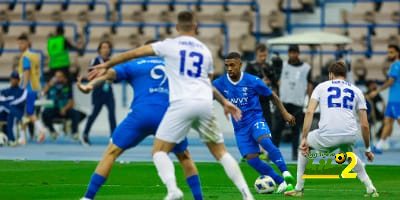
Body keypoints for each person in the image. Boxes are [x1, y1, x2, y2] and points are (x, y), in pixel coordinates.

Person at [88, 11, 254, 200]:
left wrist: (106, 64)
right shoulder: (205, 51)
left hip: (181, 104)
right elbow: (206, 84)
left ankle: (173, 189)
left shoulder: (169, 46)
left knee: (159, 151)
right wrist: (224, 102)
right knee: (221, 152)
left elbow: (134, 53)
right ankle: (247, 195)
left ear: (176, 27)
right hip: (204, 104)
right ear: (196, 26)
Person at [77, 44, 204, 200]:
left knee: (111, 153)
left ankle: (88, 197)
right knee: (184, 157)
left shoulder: (134, 64)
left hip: (141, 114)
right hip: (168, 116)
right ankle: (197, 198)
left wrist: (89, 85)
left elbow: (107, 75)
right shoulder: (175, 67)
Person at [284, 61, 378, 197]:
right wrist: (368, 149)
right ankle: (370, 188)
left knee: (303, 148)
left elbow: (309, 112)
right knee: (349, 156)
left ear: (330, 75)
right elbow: (364, 124)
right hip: (349, 134)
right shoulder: (357, 91)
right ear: (345, 75)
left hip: (328, 135)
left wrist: (304, 138)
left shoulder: (321, 87)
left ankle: (298, 189)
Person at [213, 52, 296, 193]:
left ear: (240, 64)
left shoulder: (253, 80)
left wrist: (285, 113)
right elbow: (207, 95)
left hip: (255, 120)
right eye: (227, 65)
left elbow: (272, 96)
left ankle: (286, 173)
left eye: (232, 65)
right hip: (240, 129)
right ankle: (281, 182)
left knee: (265, 141)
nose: (229, 68)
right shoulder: (220, 83)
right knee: (252, 159)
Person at [275, 44, 313, 160]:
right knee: (277, 129)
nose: (292, 54)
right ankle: (273, 153)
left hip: (297, 103)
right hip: (283, 103)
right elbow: (277, 81)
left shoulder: (306, 68)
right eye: (290, 52)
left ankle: (295, 155)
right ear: (288, 53)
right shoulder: (283, 66)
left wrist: (310, 100)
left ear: (298, 53)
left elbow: (310, 84)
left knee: (296, 131)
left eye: (294, 52)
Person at [82, 41, 116, 146]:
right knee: (94, 114)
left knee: (111, 114)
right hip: (98, 90)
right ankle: (85, 134)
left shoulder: (112, 61)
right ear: (99, 50)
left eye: (107, 47)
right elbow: (90, 75)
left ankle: (113, 138)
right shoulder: (95, 61)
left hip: (108, 91)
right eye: (103, 47)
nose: (106, 49)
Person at [17, 33, 46, 144]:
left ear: (27, 43)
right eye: (19, 43)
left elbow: (27, 71)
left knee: (28, 113)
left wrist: (23, 88)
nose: (20, 45)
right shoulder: (34, 55)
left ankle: (41, 129)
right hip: (34, 87)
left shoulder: (26, 56)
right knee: (24, 113)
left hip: (27, 88)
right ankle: (23, 138)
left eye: (22, 43)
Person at [370, 44, 400, 151]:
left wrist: (377, 91)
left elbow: (391, 81)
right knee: (388, 122)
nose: (389, 54)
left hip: (397, 100)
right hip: (393, 100)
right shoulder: (395, 65)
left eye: (391, 52)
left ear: (397, 53)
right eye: (388, 52)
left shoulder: (396, 65)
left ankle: (380, 145)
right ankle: (379, 146)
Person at [245, 44, 279, 127]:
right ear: (256, 55)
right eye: (261, 56)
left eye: (265, 56)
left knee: (268, 125)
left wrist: (274, 94)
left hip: (266, 101)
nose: (263, 58)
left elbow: (275, 83)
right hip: (253, 101)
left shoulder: (269, 67)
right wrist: (260, 83)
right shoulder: (250, 67)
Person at [41, 70, 81, 141]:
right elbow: (42, 93)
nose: (58, 78)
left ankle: (74, 133)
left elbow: (71, 101)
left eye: (60, 77)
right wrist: (49, 85)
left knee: (76, 114)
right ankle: (52, 131)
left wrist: (65, 109)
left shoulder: (67, 87)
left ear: (63, 77)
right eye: (56, 77)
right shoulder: (51, 86)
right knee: (44, 114)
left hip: (64, 109)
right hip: (53, 109)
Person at [0, 72, 27, 146]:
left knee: (10, 114)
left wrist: (6, 101)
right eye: (12, 79)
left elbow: (20, 101)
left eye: (15, 79)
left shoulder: (22, 91)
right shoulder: (5, 91)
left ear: (18, 80)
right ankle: (4, 137)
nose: (13, 81)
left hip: (17, 112)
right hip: (6, 112)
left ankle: (11, 139)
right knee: (5, 109)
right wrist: (7, 101)